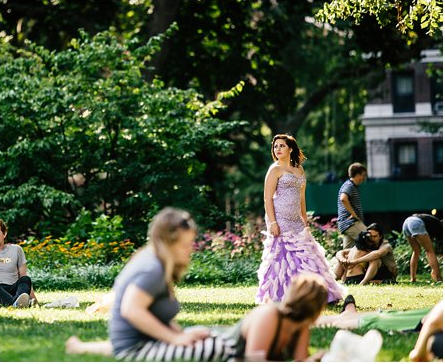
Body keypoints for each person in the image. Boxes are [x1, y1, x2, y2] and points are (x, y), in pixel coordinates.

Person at [67, 207, 328, 361]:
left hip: (140, 343)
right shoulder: (153, 268)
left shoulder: (156, 263)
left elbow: (153, 316)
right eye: (184, 244)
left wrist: (179, 335)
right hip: (137, 348)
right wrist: (175, 339)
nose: (189, 250)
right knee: (216, 349)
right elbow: (131, 310)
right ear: (168, 241)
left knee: (204, 338)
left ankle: (79, 347)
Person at [256, 134, 345, 304]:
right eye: (275, 146)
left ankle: (321, 295)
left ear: (290, 149)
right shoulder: (274, 170)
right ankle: (283, 296)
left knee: (307, 256)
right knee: (283, 257)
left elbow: (302, 197)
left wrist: (304, 219)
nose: (278, 149)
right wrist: (272, 222)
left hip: (296, 220)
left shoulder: (299, 169)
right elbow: (267, 198)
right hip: (280, 219)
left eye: (282, 146)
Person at [403, 213, 442, 282]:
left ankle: (413, 279)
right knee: (429, 251)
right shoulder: (440, 228)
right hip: (416, 222)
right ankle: (438, 278)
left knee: (416, 251)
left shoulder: (434, 223)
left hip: (407, 222)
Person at [337, 162, 367, 249]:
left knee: (347, 253)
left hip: (347, 224)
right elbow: (343, 198)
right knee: (371, 239)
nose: (364, 178)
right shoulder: (349, 185)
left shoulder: (352, 186)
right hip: (350, 223)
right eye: (363, 175)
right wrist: (353, 214)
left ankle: (341, 263)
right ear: (357, 175)